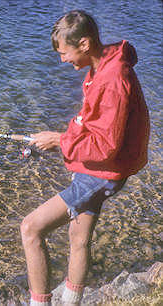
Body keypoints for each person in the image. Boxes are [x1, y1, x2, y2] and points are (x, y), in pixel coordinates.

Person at [20, 10, 150, 306]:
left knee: (30, 228)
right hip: (103, 167)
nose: (62, 61)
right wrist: (62, 138)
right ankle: (72, 301)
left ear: (85, 44)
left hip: (103, 171)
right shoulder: (102, 68)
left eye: (64, 53)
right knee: (78, 237)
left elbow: (107, 146)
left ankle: (39, 303)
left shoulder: (113, 80)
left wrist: (59, 141)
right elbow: (95, 123)